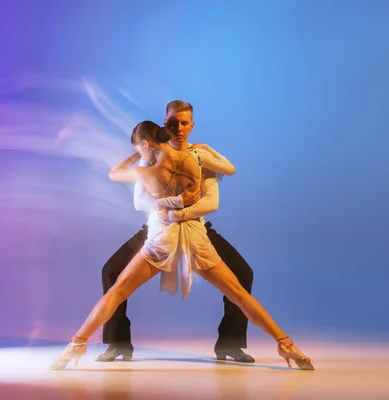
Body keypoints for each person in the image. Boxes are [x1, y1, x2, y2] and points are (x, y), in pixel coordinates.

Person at [50, 120, 314, 371]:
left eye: (139, 147)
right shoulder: (194, 158)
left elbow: (114, 174)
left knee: (118, 291)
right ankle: (286, 344)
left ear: (145, 144)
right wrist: (201, 159)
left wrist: (141, 163)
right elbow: (220, 177)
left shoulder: (148, 171)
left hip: (163, 239)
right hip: (194, 236)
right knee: (238, 293)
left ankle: (77, 344)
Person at [98, 100, 255, 363]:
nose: (179, 129)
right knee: (111, 271)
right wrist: (143, 154)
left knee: (242, 273)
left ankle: (229, 343)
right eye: (173, 123)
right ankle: (118, 344)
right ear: (164, 124)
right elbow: (141, 202)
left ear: (192, 125)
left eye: (184, 123)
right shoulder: (152, 158)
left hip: (196, 231)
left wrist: (179, 211)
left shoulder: (199, 158)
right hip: (157, 232)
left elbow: (209, 201)